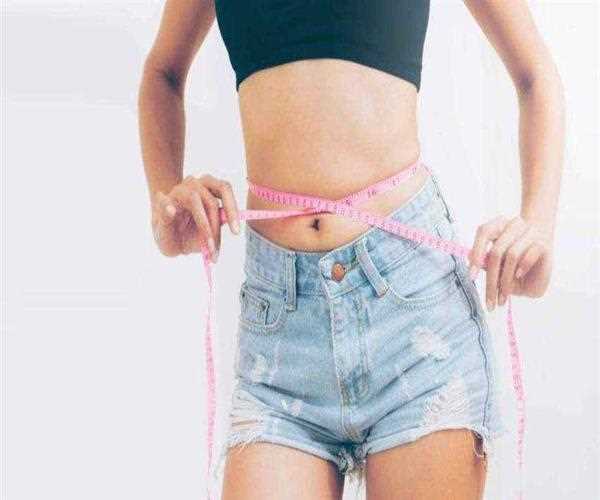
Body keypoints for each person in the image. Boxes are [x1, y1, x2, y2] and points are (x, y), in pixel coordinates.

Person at [137, 1, 564, 498]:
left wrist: (539, 227)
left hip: (412, 315)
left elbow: (535, 74)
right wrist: (164, 199)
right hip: (280, 331)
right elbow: (163, 72)